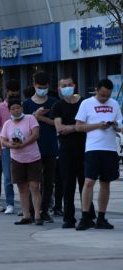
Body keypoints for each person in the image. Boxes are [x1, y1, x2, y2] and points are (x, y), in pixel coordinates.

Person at [75, 79, 122, 230]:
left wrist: (115, 125)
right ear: (96, 90)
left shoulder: (114, 104)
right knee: (88, 181)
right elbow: (79, 126)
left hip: (110, 149)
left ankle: (101, 217)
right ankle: (85, 216)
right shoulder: (86, 103)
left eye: (107, 96)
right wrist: (97, 125)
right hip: (93, 148)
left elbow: (120, 127)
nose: (104, 99)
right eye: (102, 95)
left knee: (106, 183)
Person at [52, 77, 96, 228]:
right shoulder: (58, 106)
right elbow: (59, 128)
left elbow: (90, 124)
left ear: (75, 85)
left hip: (86, 149)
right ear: (59, 88)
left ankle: (89, 215)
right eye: (63, 86)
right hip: (66, 151)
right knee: (68, 185)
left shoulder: (85, 103)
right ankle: (68, 218)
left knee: (86, 183)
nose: (67, 88)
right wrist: (78, 126)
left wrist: (71, 127)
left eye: (69, 85)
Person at [22, 71, 58, 223]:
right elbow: (23, 126)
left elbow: (57, 124)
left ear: (48, 86)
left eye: (44, 87)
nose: (41, 89)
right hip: (32, 147)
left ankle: (44, 209)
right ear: (34, 85)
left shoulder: (54, 102)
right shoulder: (27, 104)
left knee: (49, 181)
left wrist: (40, 117)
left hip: (50, 146)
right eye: (39, 86)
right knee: (33, 181)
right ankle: (31, 209)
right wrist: (33, 116)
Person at [1, 98, 43, 225]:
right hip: (17, 158)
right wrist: (11, 144)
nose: (16, 110)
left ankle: (37, 215)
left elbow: (35, 134)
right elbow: (3, 139)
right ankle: (26, 215)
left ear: (22, 108)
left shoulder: (30, 118)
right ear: (9, 111)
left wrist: (23, 144)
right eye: (13, 108)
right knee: (22, 187)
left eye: (18, 108)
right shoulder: (7, 124)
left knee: (35, 186)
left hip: (33, 157)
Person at [0, 79, 20, 215]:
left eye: (16, 93)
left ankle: (26, 204)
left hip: (21, 146)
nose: (14, 95)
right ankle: (10, 203)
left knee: (23, 177)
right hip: (6, 147)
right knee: (8, 177)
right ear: (7, 92)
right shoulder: (0, 108)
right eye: (12, 93)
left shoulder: (21, 106)